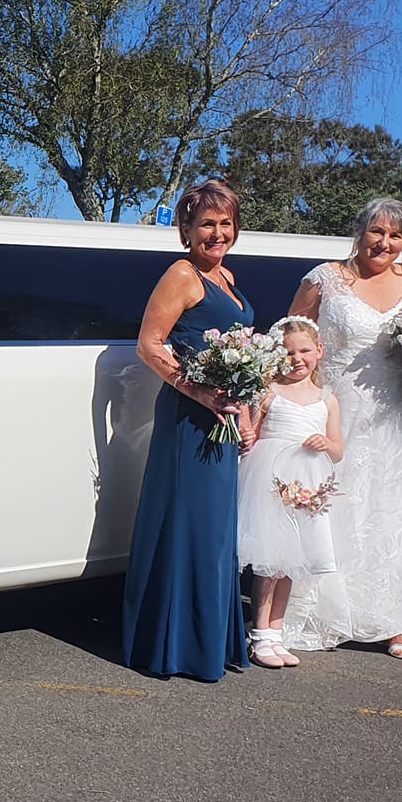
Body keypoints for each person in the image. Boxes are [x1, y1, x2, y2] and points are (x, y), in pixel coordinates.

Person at [281, 199, 402, 660]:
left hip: (397, 415)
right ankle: (324, 612)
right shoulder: (325, 279)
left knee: (389, 509)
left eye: (396, 235)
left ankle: (395, 620)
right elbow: (289, 337)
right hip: (334, 408)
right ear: (360, 231)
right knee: (331, 503)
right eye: (376, 232)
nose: (384, 243)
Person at [122, 180, 254, 682]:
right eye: (207, 224)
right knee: (188, 526)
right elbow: (150, 344)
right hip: (188, 420)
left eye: (225, 224)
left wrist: (241, 409)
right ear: (187, 230)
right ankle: (175, 647)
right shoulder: (182, 274)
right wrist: (199, 393)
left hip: (220, 418)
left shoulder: (226, 276)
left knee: (215, 531)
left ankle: (207, 642)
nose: (217, 233)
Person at [237, 317, 342, 668]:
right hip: (271, 478)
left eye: (304, 351)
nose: (297, 358)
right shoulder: (271, 391)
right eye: (289, 352)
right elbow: (251, 430)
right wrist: (247, 434)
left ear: (319, 352)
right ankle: (260, 634)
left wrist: (326, 443)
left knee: (291, 564)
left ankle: (277, 634)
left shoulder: (327, 399)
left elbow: (339, 450)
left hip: (307, 483)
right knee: (271, 561)